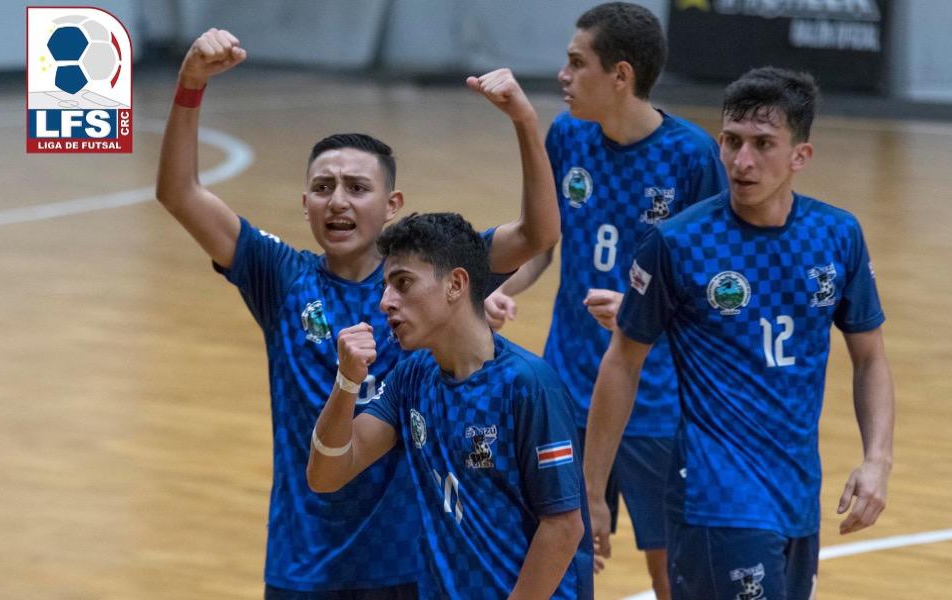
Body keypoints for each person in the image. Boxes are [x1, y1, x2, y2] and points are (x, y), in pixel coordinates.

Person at [155, 29, 560, 599]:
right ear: (304, 205)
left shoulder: (428, 275)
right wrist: (191, 83)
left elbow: (541, 233)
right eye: (322, 187)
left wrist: (523, 120)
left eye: (356, 186)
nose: (337, 200)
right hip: (305, 560)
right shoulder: (281, 275)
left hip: (408, 563)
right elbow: (178, 192)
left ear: (392, 205)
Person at [585, 66, 895, 600]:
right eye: (731, 141)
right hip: (715, 497)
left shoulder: (837, 235)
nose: (741, 161)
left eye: (763, 144)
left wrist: (877, 460)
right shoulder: (677, 244)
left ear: (801, 156)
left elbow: (870, 357)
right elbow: (622, 362)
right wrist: (592, 490)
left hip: (797, 496)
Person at [483, 3, 726, 596]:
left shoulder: (693, 157)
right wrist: (497, 290)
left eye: (575, 63)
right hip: (566, 385)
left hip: (655, 397)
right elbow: (544, 242)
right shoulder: (569, 136)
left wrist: (648, 312)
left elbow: (719, 286)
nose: (562, 76)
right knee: (558, 549)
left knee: (669, 568)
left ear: (620, 75)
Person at [306, 213, 593, 600]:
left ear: (455, 284)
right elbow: (327, 474)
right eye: (386, 286)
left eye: (402, 283)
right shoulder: (412, 379)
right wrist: (346, 382)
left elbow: (563, 527)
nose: (385, 302)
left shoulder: (528, 385)